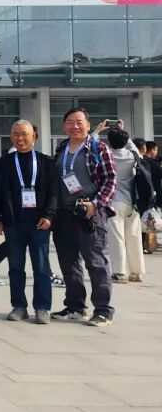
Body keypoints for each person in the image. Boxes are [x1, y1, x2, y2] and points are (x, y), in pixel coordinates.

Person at [51, 108, 117, 327]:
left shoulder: (98, 148)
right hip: (64, 213)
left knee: (96, 263)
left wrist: (96, 204)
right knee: (68, 262)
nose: (75, 126)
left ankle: (103, 310)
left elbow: (110, 180)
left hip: (90, 213)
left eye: (79, 122)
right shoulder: (61, 148)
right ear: (64, 126)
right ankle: (75, 307)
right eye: (70, 122)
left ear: (88, 125)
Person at [0, 119, 58, 324]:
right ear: (11, 137)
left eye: (24, 134)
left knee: (41, 267)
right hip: (13, 223)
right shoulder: (4, 163)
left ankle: (42, 307)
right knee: (15, 267)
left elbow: (53, 193)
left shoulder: (46, 162)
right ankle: (19, 306)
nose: (20, 138)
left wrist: (49, 216)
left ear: (34, 137)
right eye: (16, 134)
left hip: (39, 223)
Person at [104, 127, 148, 284]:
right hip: (133, 202)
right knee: (134, 237)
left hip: (114, 201)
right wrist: (124, 133)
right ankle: (137, 272)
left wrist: (97, 131)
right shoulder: (133, 155)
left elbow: (88, 147)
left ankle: (120, 273)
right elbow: (133, 147)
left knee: (117, 238)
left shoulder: (107, 155)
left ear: (109, 142)